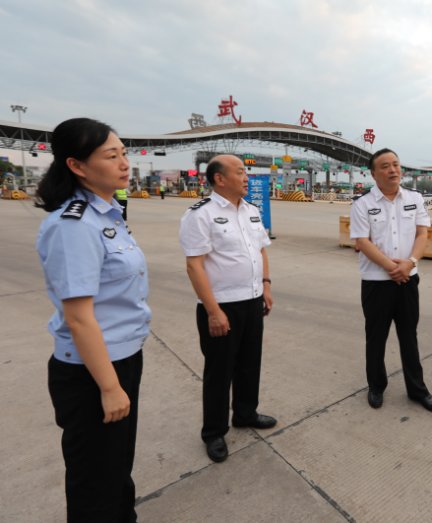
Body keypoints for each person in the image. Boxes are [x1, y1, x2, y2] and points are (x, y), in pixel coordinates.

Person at [35, 118, 151, 522]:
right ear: (77, 166)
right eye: (111, 155)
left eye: (124, 154)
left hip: (122, 358)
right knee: (95, 486)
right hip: (92, 372)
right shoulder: (75, 225)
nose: (124, 164)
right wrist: (109, 387)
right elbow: (79, 318)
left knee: (116, 470)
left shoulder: (108, 215)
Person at [178, 155, 277, 463]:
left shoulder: (251, 211)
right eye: (240, 172)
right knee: (219, 372)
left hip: (253, 300)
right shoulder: (200, 214)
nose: (246, 177)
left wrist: (266, 285)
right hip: (221, 305)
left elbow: (261, 250)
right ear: (219, 179)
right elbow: (194, 266)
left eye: (246, 172)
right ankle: (214, 431)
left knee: (250, 363)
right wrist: (213, 311)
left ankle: (245, 413)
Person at [349, 148, 432, 412]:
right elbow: (362, 241)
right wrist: (392, 267)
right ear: (373, 173)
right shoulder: (362, 203)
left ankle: (417, 390)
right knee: (376, 337)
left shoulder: (414, 198)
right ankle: (376, 386)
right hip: (376, 282)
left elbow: (422, 234)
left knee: (409, 336)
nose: (392, 170)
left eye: (396, 164)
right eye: (385, 166)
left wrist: (410, 263)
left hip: (408, 280)